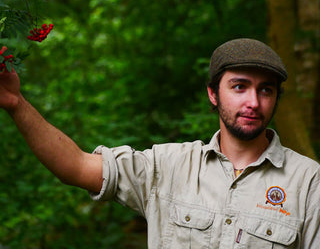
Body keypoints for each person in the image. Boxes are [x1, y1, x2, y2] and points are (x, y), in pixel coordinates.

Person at [0, 38, 319, 248]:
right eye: (239, 87)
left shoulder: (308, 181)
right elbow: (76, 166)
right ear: (212, 93)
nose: (253, 101)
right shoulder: (168, 167)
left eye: (266, 90)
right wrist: (16, 103)